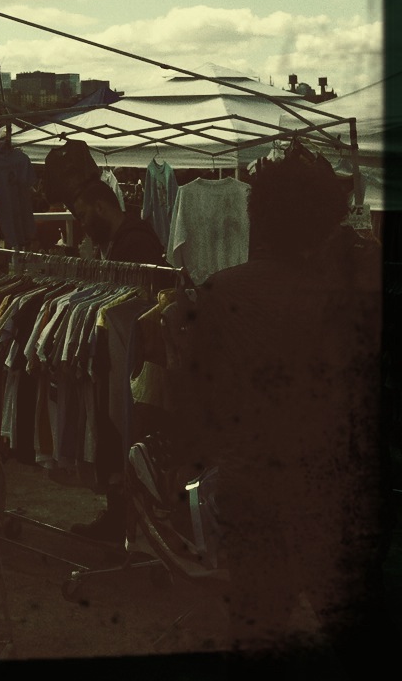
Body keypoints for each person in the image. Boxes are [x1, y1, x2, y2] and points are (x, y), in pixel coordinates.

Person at [180, 149, 380, 653]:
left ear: (260, 215)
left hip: (251, 484)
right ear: (328, 218)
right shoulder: (353, 293)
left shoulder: (220, 292)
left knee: (257, 623)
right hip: (332, 487)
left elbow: (200, 402)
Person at [65, 178, 167, 543]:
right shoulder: (125, 239)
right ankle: (119, 516)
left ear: (101, 207)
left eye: (83, 216)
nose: (82, 225)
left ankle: (125, 520)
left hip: (134, 356)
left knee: (126, 428)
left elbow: (133, 305)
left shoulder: (134, 242)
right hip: (128, 351)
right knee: (119, 428)